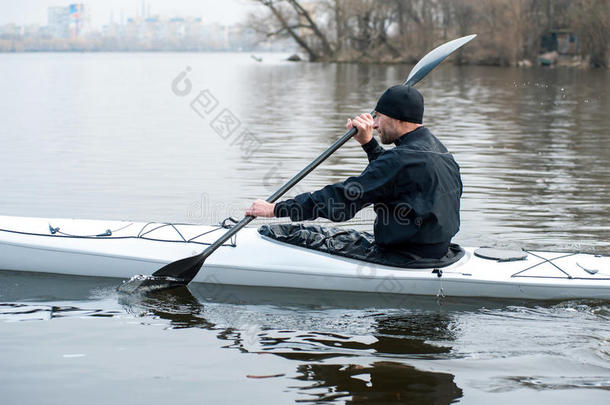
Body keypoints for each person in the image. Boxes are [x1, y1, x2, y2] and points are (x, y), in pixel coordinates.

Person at [246, 85, 462, 266]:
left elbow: (341, 201)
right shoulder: (439, 150)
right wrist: (369, 144)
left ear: (397, 119)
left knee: (290, 233)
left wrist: (275, 209)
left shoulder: (400, 160)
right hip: (438, 251)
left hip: (404, 258)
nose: (375, 124)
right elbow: (392, 178)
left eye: (379, 117)